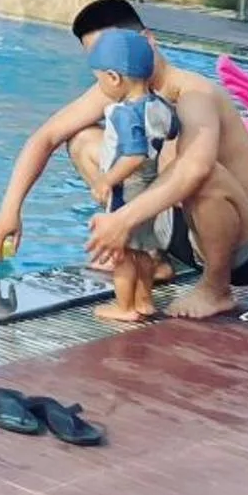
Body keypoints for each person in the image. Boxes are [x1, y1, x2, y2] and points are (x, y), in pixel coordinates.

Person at [0, 0, 248, 319]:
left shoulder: (194, 94)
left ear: (146, 41)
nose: (105, 68)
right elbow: (46, 137)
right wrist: (10, 209)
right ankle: (149, 256)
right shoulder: (119, 87)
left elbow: (195, 169)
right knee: (84, 141)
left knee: (198, 168)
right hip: (182, 228)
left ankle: (216, 288)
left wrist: (121, 222)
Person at [89, 29, 177, 323]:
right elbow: (173, 129)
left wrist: (107, 179)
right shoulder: (158, 103)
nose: (100, 85)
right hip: (152, 188)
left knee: (123, 254)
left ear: (114, 78)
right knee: (143, 252)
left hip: (128, 191)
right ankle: (145, 301)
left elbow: (133, 154)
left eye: (99, 79)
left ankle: (125, 306)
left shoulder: (123, 113)